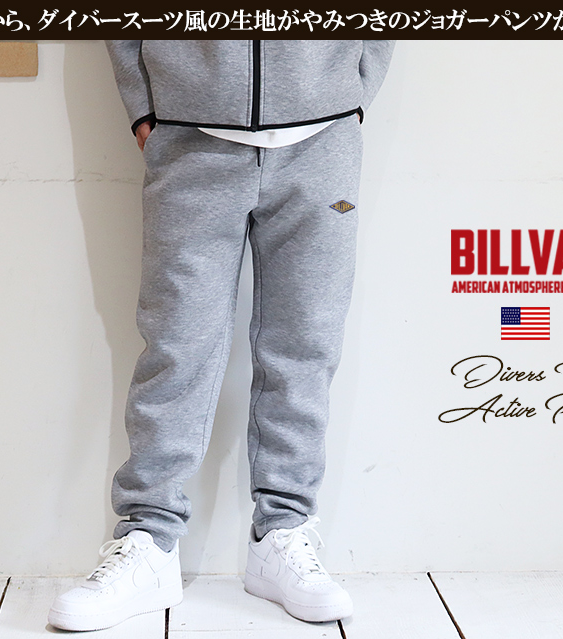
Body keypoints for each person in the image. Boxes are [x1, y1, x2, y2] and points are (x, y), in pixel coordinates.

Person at [48, 40, 395, 632]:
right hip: (189, 135)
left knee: (305, 345)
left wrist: (353, 88)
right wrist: (143, 102)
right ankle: (149, 539)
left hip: (324, 137)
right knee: (177, 347)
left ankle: (282, 531)